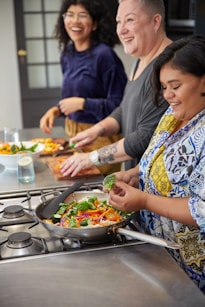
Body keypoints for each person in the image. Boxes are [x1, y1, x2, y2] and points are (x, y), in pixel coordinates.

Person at [107, 35, 205, 293]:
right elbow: (156, 158)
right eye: (163, 87)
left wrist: (144, 201)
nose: (168, 95)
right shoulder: (172, 114)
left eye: (175, 85)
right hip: (159, 255)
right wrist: (133, 174)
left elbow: (202, 210)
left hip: (194, 271)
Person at [60, 0, 170, 178]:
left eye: (130, 20)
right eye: (119, 22)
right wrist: (97, 130)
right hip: (136, 179)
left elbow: (145, 136)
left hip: (157, 185)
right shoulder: (140, 60)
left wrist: (92, 157)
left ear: (155, 22)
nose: (121, 30)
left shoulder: (168, 66)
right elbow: (124, 109)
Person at [40, 0, 127, 175]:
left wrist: (84, 104)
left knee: (98, 193)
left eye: (82, 15)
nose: (75, 21)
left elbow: (120, 106)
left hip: (102, 139)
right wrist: (57, 110)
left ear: (95, 24)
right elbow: (75, 95)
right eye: (70, 15)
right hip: (72, 134)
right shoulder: (67, 53)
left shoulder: (105, 55)